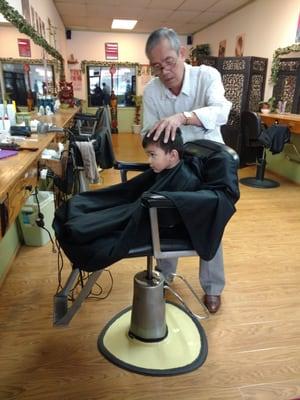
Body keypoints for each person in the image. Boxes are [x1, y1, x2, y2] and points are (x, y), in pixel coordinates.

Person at [142, 27, 232, 313]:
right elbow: (147, 131)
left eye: (168, 61)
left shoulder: (207, 76)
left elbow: (221, 111)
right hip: (174, 163)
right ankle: (165, 275)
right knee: (165, 217)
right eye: (157, 66)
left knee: (211, 217)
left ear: (182, 53)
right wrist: (158, 144)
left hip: (210, 162)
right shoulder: (152, 91)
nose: (164, 71)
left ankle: (212, 287)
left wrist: (184, 117)